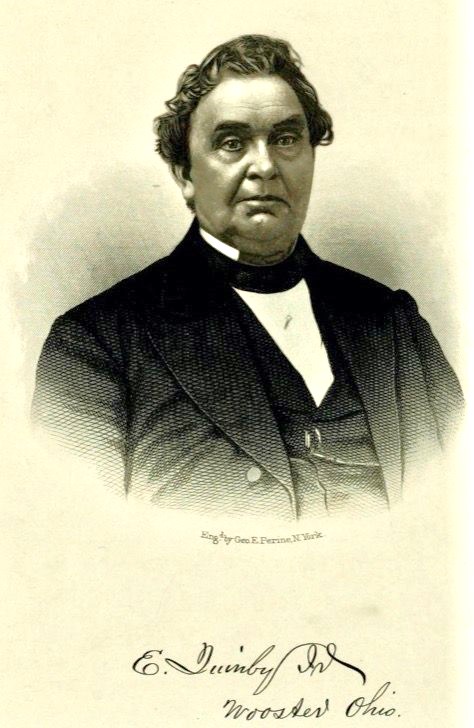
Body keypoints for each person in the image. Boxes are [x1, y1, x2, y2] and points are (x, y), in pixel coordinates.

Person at [32, 35, 464, 521]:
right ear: (185, 175)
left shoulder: (393, 323)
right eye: (232, 143)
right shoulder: (96, 343)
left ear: (311, 155)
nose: (265, 166)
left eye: (285, 139)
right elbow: (83, 539)